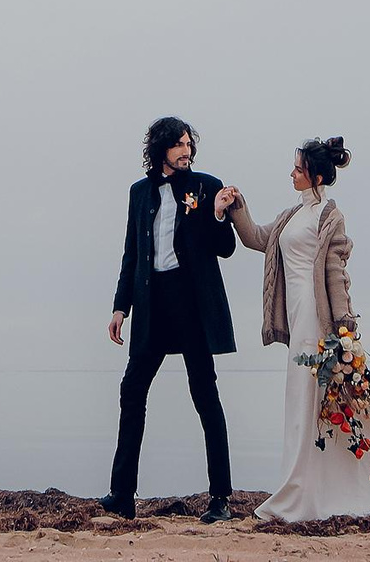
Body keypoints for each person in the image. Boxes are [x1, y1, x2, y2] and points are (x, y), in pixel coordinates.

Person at [223, 137, 370, 524]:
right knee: (302, 402)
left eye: (298, 169)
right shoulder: (289, 217)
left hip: (317, 322)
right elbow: (256, 238)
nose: (291, 173)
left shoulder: (329, 217)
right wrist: (237, 207)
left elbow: (336, 273)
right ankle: (301, 486)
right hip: (295, 316)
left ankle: (328, 487)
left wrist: (343, 328)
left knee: (329, 401)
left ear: (316, 176)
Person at [103, 116, 241, 522]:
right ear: (160, 149)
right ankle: (122, 495)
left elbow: (226, 248)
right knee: (132, 391)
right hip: (152, 305)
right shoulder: (139, 193)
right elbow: (131, 253)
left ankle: (221, 499)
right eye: (179, 145)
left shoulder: (207, 186)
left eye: (189, 145)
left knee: (204, 395)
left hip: (192, 303)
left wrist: (216, 214)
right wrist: (120, 307)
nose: (186, 151)